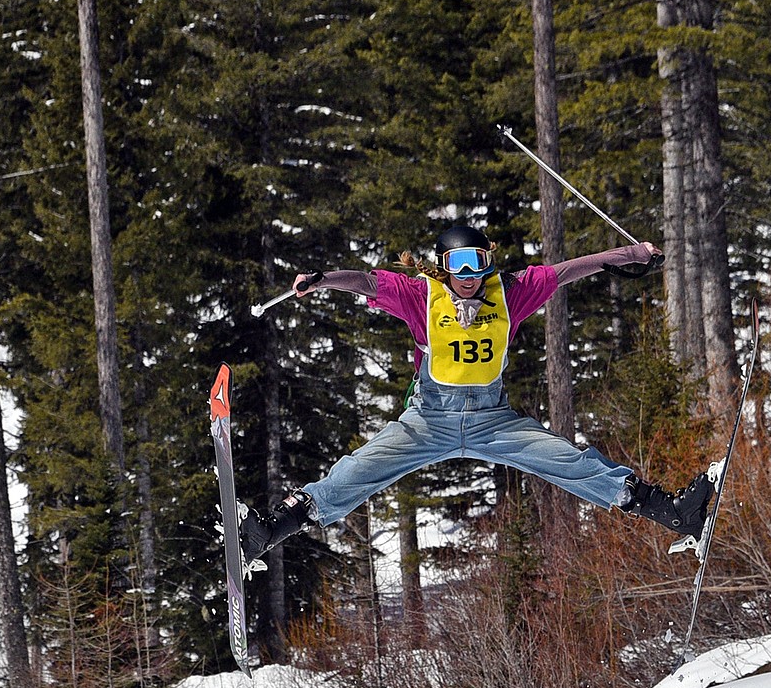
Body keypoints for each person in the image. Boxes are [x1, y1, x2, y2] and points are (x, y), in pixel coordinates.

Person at [239, 223, 716, 570]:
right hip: (429, 421)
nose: (468, 276)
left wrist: (630, 256)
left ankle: (673, 512)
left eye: (477, 264)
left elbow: (568, 271)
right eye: (458, 267)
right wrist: (322, 279)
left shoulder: (509, 292)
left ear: (487, 262)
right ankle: (273, 528)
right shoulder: (420, 295)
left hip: (494, 420)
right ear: (443, 269)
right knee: (361, 469)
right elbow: (366, 281)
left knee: (570, 461)